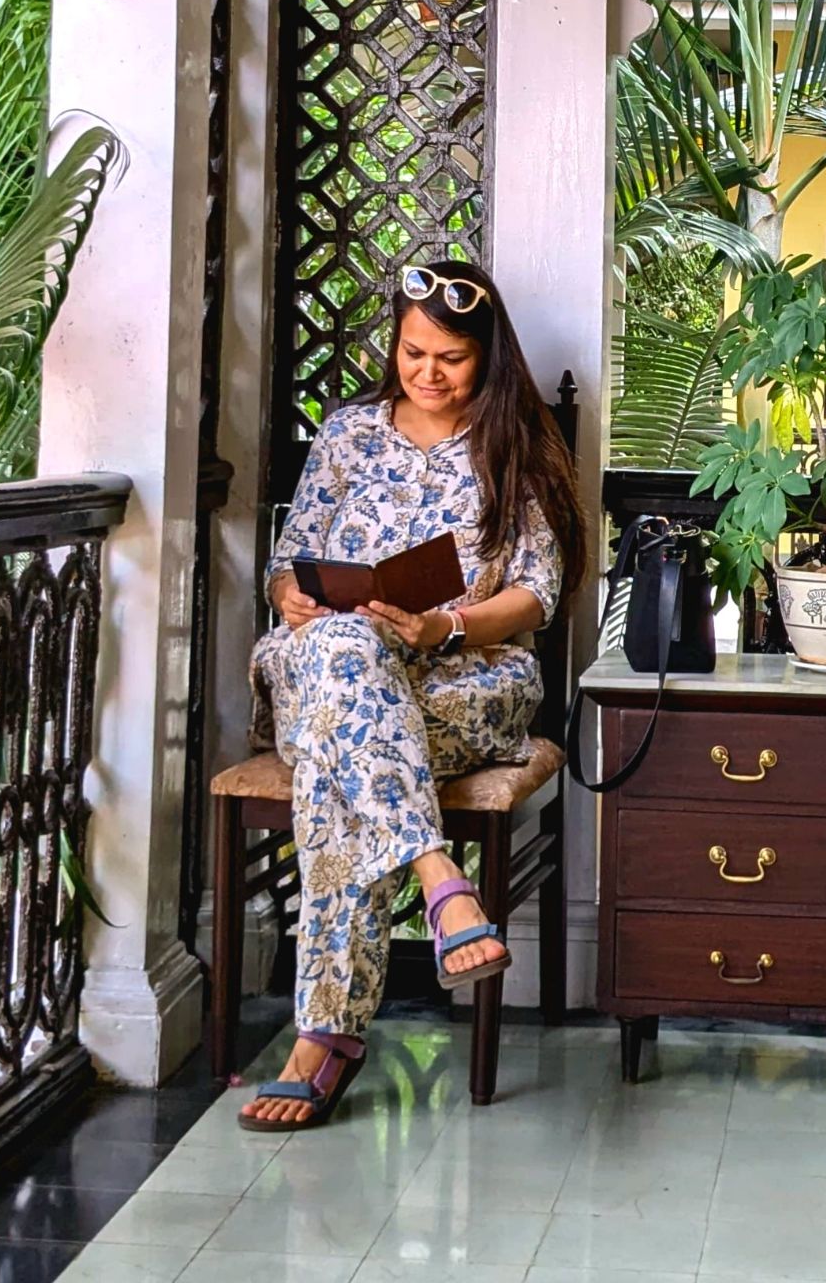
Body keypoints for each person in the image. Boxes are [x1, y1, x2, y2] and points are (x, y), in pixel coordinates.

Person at [237, 259, 585, 1130]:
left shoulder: (517, 446)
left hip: (464, 680)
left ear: (488, 357)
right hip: (324, 662)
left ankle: (323, 1038)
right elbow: (289, 562)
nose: (428, 372)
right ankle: (440, 878)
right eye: (412, 352)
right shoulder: (347, 435)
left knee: (338, 758)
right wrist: (292, 596)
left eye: (451, 358)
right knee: (344, 648)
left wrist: (443, 628)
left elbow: (536, 594)